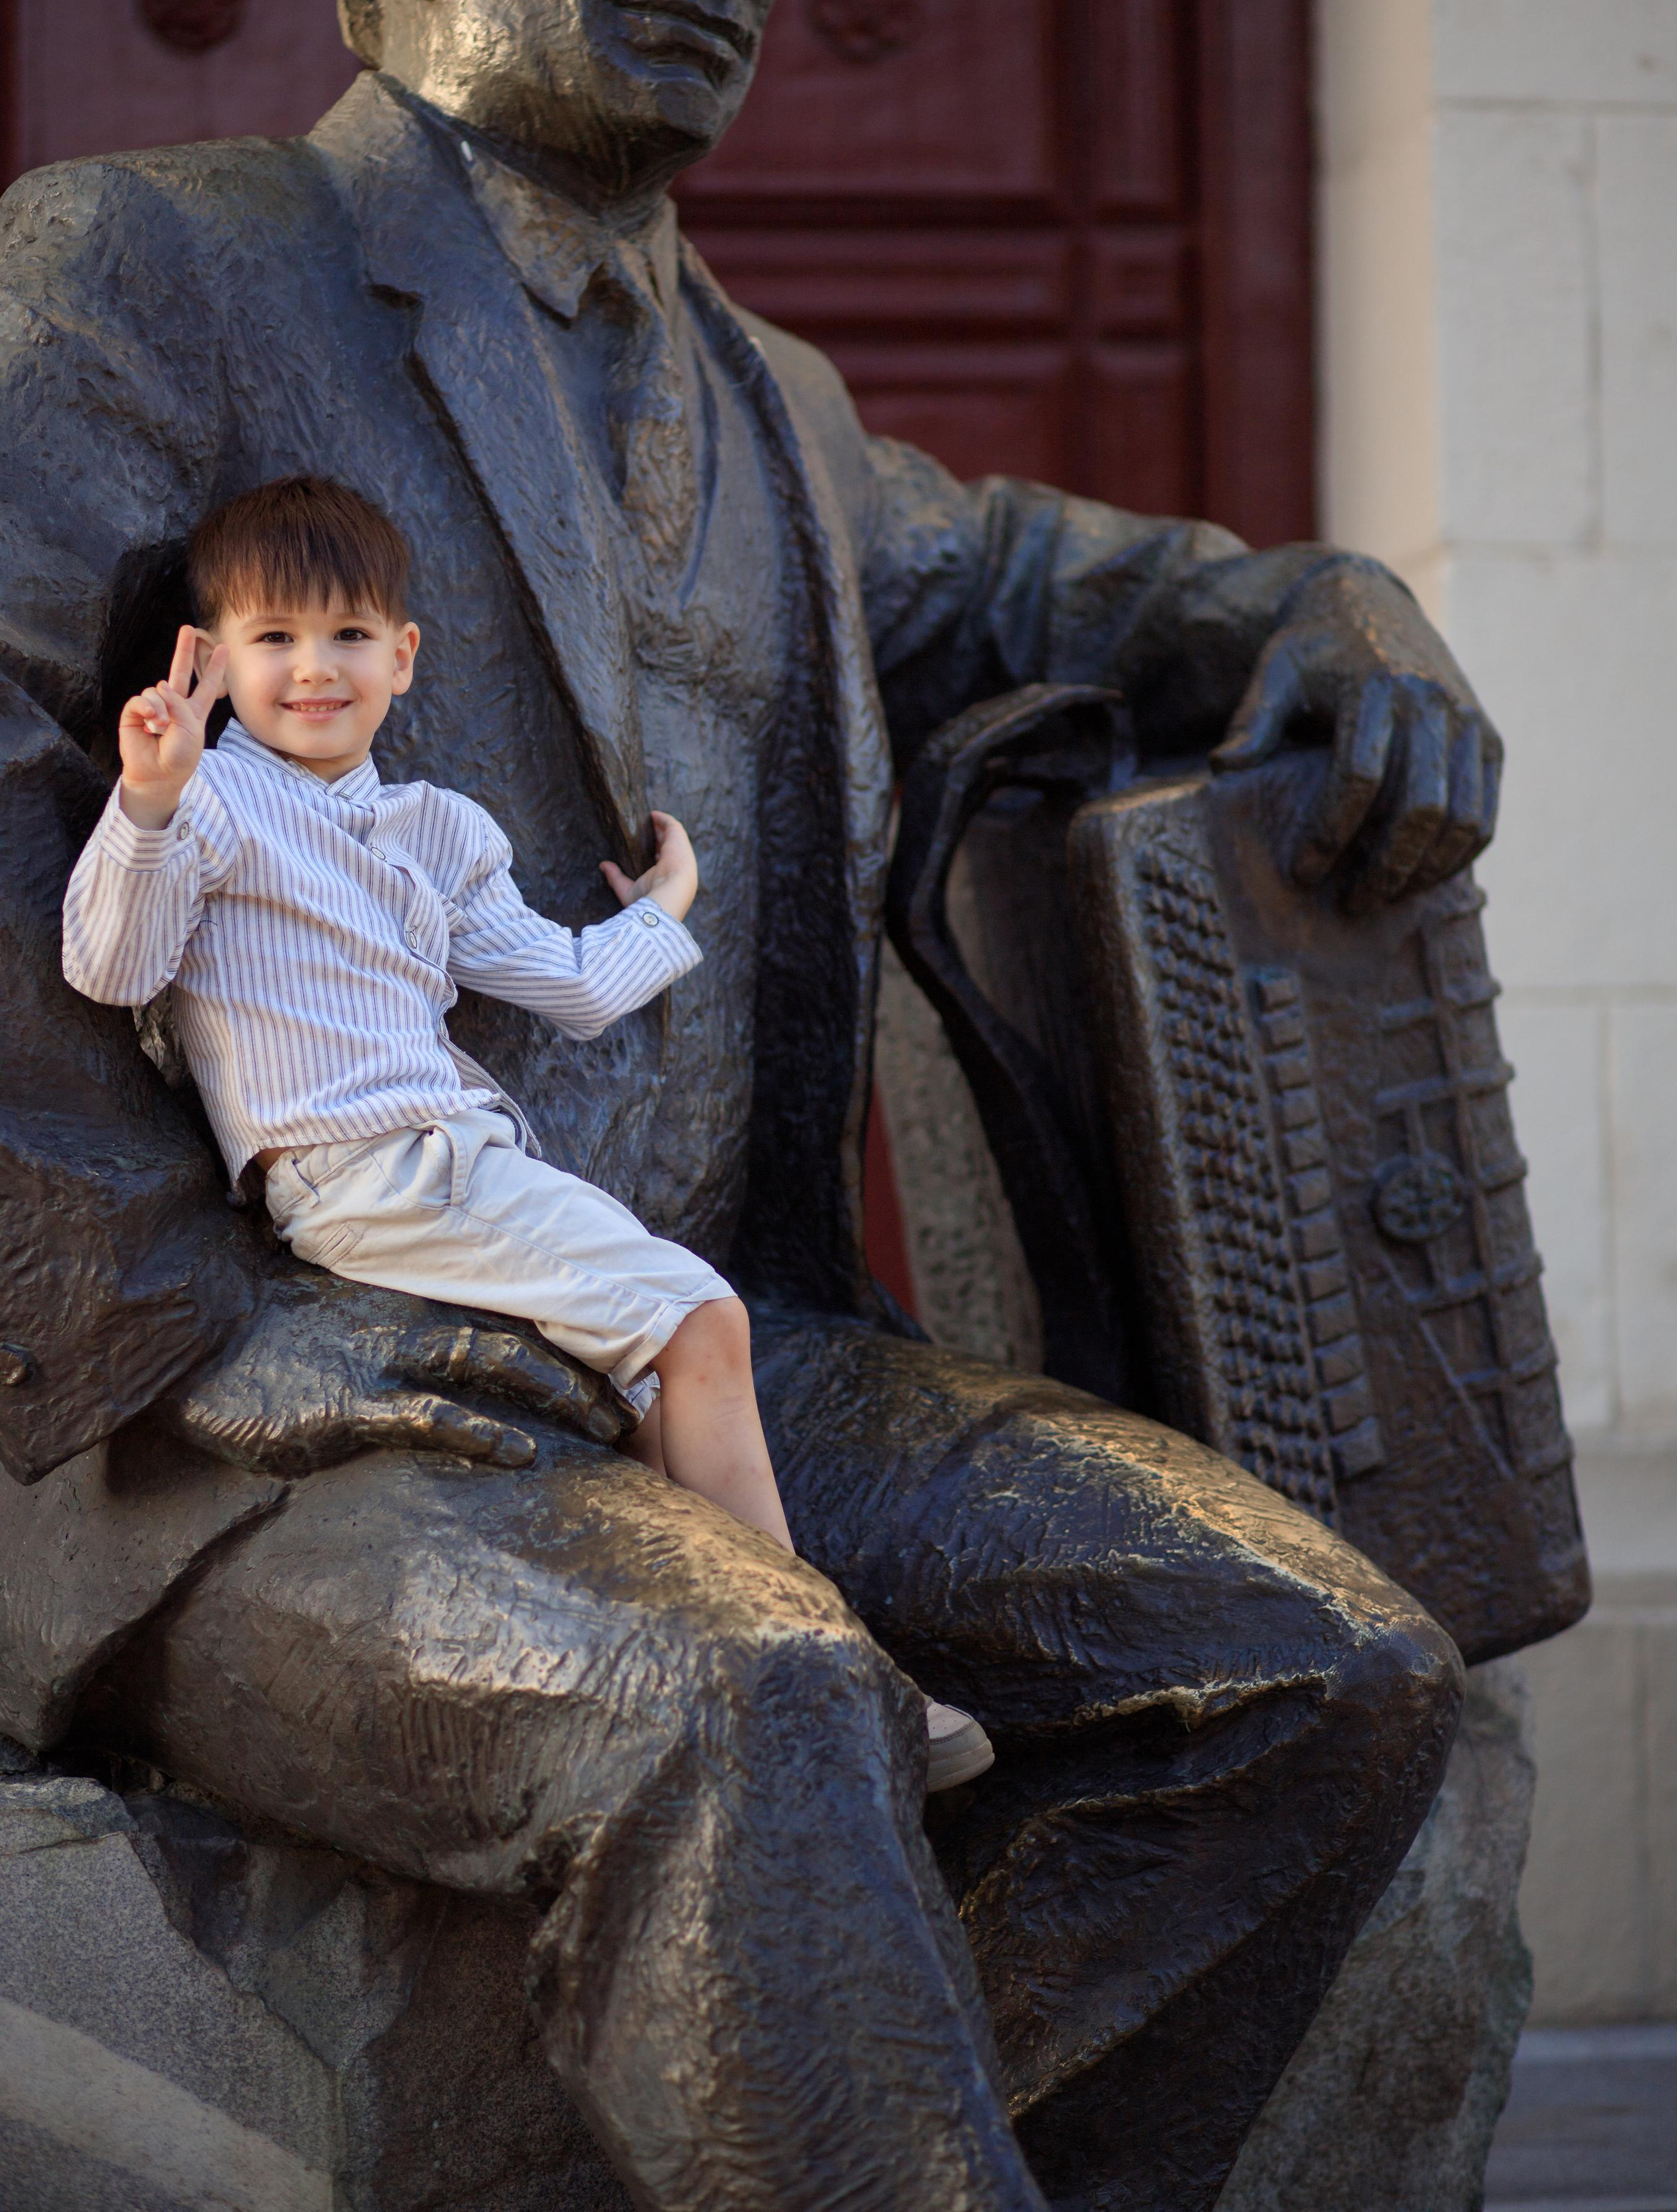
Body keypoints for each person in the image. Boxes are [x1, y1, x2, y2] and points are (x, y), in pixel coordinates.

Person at [0, 0, 1485, 2205]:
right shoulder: (147, 269)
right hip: (281, 1392)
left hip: (737, 1347)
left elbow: (1036, 579)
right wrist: (214, 1337)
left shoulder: (778, 408)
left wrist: (1327, 601)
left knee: (1322, 1670)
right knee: (752, 1693)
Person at [60, 472, 996, 1793]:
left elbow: (564, 981)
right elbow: (112, 961)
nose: (311, 670)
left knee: (656, 1393)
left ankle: (756, 1677)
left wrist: (669, 900)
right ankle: (853, 1681)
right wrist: (144, 802)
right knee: (700, 1321)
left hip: (468, 1161)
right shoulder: (213, 804)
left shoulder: (438, 830)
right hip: (355, 1170)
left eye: (344, 637)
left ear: (402, 655)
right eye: (272, 641)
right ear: (212, 662)